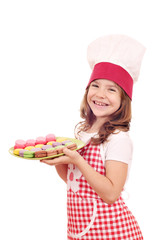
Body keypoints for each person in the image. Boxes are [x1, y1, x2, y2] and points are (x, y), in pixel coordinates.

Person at [41, 34, 146, 239]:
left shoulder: (118, 139)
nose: (100, 94)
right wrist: (57, 159)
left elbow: (110, 195)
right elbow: (74, 182)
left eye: (111, 89)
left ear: (124, 99)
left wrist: (77, 159)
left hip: (114, 233)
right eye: (96, 85)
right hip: (81, 230)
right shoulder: (83, 132)